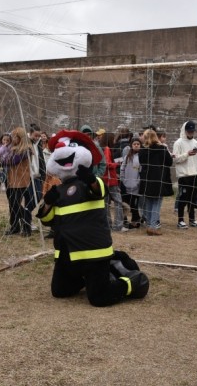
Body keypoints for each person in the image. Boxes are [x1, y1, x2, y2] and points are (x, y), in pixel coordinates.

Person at [37, 129, 149, 307]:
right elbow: (46, 219)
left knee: (99, 299)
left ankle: (131, 280)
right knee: (59, 292)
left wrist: (90, 179)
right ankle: (91, 277)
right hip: (67, 255)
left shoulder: (92, 183)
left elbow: (98, 191)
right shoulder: (57, 190)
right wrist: (48, 202)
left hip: (92, 252)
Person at [139, 128, 174, 236]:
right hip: (159, 180)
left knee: (149, 202)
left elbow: (141, 162)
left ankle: (149, 224)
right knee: (156, 203)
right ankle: (153, 227)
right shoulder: (162, 149)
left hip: (147, 179)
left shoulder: (143, 150)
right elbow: (169, 162)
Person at [1, 127, 32, 236]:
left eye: (15, 136)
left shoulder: (26, 149)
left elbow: (12, 161)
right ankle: (15, 226)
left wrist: (3, 160)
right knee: (12, 205)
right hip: (12, 180)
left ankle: (27, 225)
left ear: (21, 137)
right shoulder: (13, 148)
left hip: (21, 181)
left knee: (16, 205)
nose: (12, 138)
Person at [173, 120, 197, 229]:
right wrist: (187, 154)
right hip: (184, 175)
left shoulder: (195, 142)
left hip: (195, 174)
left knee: (193, 198)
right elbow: (175, 159)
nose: (191, 133)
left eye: (192, 131)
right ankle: (180, 220)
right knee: (183, 198)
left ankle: (192, 219)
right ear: (185, 131)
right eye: (189, 131)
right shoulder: (178, 142)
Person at [100, 130, 124, 231]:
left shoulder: (103, 148)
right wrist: (117, 164)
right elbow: (107, 164)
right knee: (118, 201)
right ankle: (118, 225)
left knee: (106, 202)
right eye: (113, 138)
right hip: (110, 180)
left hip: (104, 179)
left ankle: (108, 224)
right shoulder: (107, 149)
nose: (114, 140)